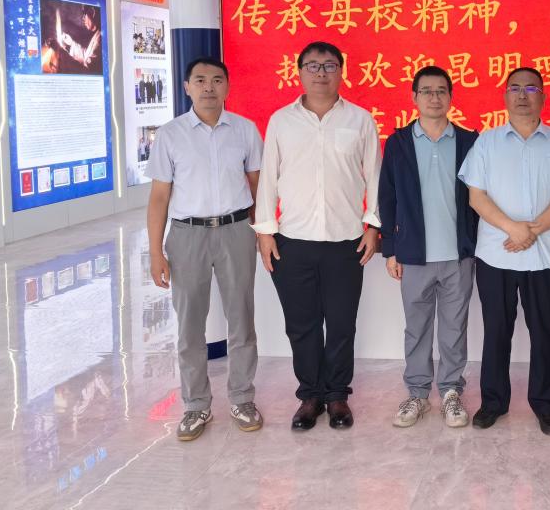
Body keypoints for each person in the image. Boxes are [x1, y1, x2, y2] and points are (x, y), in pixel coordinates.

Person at [253, 41, 381, 431]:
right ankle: (310, 396)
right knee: (302, 324)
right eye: (312, 66)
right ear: (299, 72)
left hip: (346, 241)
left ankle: (337, 396)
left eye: (329, 66)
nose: (321, 73)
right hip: (292, 240)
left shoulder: (360, 120)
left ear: (341, 71)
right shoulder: (281, 121)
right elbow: (268, 178)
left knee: (341, 323)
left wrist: (373, 225)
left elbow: (375, 176)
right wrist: (265, 231)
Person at [145, 57, 264, 441]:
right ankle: (196, 405)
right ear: (187, 87)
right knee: (189, 325)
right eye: (200, 80)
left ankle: (242, 398)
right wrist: (156, 252)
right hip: (187, 235)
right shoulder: (170, 135)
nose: (208, 87)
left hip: (236, 231)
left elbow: (258, 187)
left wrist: (263, 233)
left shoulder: (245, 130)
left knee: (241, 319)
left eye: (216, 80)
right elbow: (159, 197)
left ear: (227, 86)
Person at [458, 67, 550, 435]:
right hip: (497, 255)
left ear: (543, 96)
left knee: (545, 332)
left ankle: (546, 404)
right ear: (505, 96)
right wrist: (513, 228)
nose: (523, 95)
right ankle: (493, 402)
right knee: (497, 330)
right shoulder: (487, 142)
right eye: (515, 88)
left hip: (544, 257)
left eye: (531, 88)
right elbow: (476, 196)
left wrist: (532, 231)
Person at [379, 65, 479, 428]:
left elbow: (480, 198)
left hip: (458, 255)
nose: (434, 97)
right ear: (414, 97)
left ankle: (451, 391)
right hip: (414, 255)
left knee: (454, 328)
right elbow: (387, 197)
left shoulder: (469, 141)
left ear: (450, 97)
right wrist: (390, 249)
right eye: (427, 91)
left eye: (441, 91)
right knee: (416, 328)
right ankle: (418, 394)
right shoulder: (399, 143)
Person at [60, 5, 101, 72]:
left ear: (92, 12)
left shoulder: (100, 37)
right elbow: (86, 57)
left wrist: (66, 56)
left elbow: (89, 67)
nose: (83, 18)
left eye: (84, 15)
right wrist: (71, 43)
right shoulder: (97, 35)